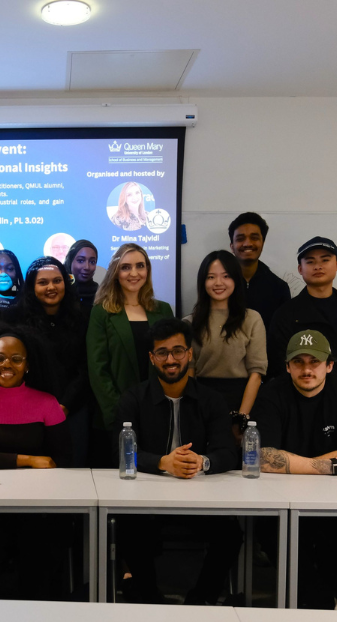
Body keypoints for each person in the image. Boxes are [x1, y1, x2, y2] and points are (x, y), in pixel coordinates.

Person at [252, 330, 337, 609]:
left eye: (314, 362)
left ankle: (318, 592)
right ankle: (322, 602)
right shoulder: (271, 394)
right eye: (298, 362)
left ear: (329, 365)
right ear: (287, 366)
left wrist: (290, 462)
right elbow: (262, 458)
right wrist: (334, 464)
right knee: (271, 530)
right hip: (282, 498)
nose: (306, 370)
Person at [115, 318, 241, 605]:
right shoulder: (133, 399)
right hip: (147, 499)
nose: (170, 359)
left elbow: (227, 452)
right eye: (162, 352)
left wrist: (202, 462)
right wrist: (163, 463)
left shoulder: (211, 400)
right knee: (128, 528)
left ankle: (201, 600)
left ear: (190, 354)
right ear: (152, 358)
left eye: (178, 351)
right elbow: (120, 453)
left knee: (230, 533)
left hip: (200, 497)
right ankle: (151, 601)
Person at [0, 322, 73, 600]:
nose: (7, 365)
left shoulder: (47, 402)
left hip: (37, 505)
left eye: (16, 359)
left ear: (28, 365)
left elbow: (63, 458)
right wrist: (28, 460)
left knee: (44, 546)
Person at [87, 243, 173, 464]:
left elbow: (170, 361)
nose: (134, 273)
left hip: (157, 412)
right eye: (126, 267)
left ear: (148, 270)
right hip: (116, 413)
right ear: (116, 273)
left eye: (140, 266)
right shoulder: (101, 312)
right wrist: (119, 411)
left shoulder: (163, 310)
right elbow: (98, 369)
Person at [6, 257, 90, 466]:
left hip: (73, 407)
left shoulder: (83, 317)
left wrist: (65, 405)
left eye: (57, 281)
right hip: (29, 408)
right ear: (32, 287)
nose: (51, 287)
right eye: (43, 282)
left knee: (73, 470)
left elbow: (86, 366)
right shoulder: (13, 318)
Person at [184, 251, 267, 430]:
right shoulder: (189, 323)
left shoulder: (252, 319)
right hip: (202, 400)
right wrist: (194, 411)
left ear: (236, 279)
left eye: (226, 276)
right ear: (203, 281)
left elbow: (256, 373)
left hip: (242, 399)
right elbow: (189, 372)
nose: (218, 283)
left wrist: (241, 418)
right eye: (211, 277)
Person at [267, 237, 337, 381]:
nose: (318, 266)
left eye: (325, 260)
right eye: (310, 262)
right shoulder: (285, 315)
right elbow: (278, 366)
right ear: (300, 269)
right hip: (300, 391)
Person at [228, 212, 291, 330]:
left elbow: (283, 331)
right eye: (240, 239)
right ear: (232, 246)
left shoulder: (279, 288)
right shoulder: (219, 285)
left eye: (254, 238)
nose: (247, 243)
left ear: (262, 243)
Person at [64, 239, 99, 314]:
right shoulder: (60, 292)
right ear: (70, 262)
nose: (87, 267)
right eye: (80, 261)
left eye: (92, 262)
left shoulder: (101, 294)